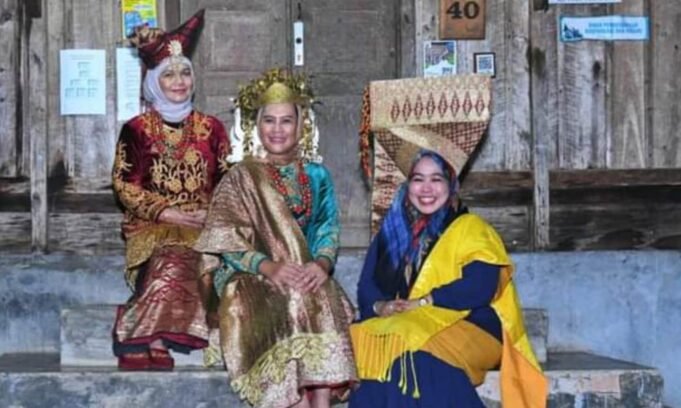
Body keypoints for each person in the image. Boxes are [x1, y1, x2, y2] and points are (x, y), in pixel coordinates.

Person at [350, 76, 547, 407]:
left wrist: (423, 303)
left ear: (451, 185)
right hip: (404, 324)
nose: (426, 189)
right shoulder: (392, 233)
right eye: (418, 179)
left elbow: (480, 288)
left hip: (471, 326)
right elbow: (366, 286)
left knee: (410, 356)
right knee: (366, 342)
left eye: (436, 179)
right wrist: (381, 307)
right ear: (407, 186)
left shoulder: (471, 229)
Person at [194, 68, 357, 408]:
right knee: (292, 296)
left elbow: (327, 227)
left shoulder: (316, 174)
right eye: (269, 120)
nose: (278, 129)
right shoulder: (240, 177)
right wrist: (269, 267)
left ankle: (320, 403)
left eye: (286, 121)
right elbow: (225, 239)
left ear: (301, 126)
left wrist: (322, 264)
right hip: (250, 275)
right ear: (257, 125)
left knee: (321, 291)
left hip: (304, 269)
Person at [111, 9, 230, 371]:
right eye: (169, 74)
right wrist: (170, 213)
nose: (179, 81)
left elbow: (227, 182)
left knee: (199, 261)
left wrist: (210, 213)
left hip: (204, 224)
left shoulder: (212, 128)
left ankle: (137, 325)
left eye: (185, 72)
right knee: (173, 260)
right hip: (154, 225)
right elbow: (124, 184)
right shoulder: (137, 130)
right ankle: (150, 335)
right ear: (154, 81)